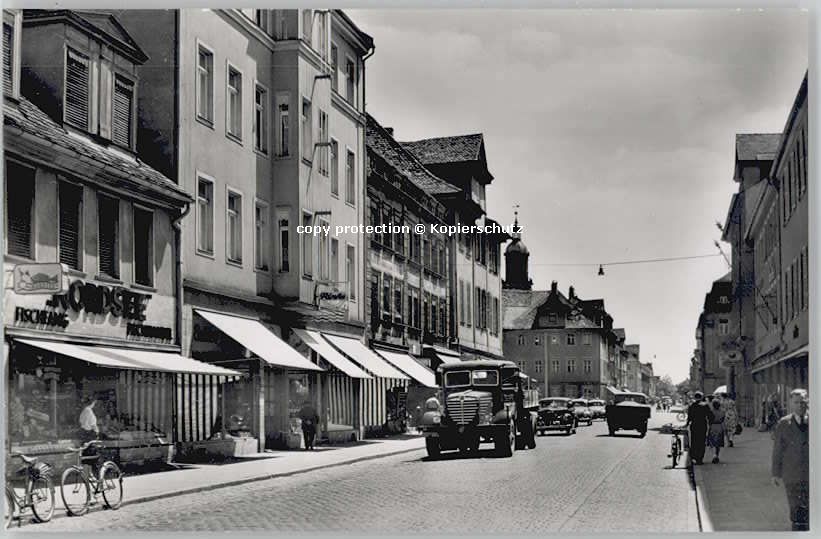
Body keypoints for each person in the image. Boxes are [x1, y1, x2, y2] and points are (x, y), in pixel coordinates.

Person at [771, 389, 809, 531]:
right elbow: (777, 450)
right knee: (796, 510)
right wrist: (775, 474)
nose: (800, 405)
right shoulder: (783, 424)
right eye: (796, 402)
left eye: (803, 402)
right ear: (791, 404)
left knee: (812, 511)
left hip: (812, 475)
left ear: (808, 402)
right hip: (792, 475)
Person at [685, 391, 713, 465]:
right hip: (702, 426)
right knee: (701, 442)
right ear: (701, 397)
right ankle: (700, 459)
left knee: (694, 442)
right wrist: (711, 423)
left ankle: (694, 457)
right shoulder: (705, 405)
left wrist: (687, 424)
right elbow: (710, 415)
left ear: (695, 397)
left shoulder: (692, 406)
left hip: (694, 425)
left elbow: (689, 417)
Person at [707, 398, 725, 463]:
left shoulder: (711, 411)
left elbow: (709, 420)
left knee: (712, 442)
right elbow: (723, 419)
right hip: (720, 427)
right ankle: (717, 455)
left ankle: (714, 455)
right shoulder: (722, 412)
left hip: (712, 427)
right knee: (718, 443)